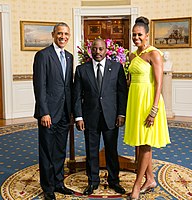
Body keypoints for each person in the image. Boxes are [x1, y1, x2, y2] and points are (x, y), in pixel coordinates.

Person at [124, 16, 171, 199]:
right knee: (140, 143)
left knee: (145, 145)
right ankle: (150, 179)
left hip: (149, 103)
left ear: (147, 35)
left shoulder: (154, 54)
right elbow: (130, 80)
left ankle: (137, 185)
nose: (136, 38)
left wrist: (154, 109)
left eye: (139, 35)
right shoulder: (131, 55)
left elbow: (159, 84)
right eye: (133, 35)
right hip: (134, 101)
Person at [73, 38, 128, 195]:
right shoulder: (81, 70)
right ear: (91, 50)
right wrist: (78, 117)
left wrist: (121, 113)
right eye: (95, 49)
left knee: (111, 150)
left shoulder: (117, 67)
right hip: (90, 118)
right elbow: (76, 96)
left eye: (101, 49)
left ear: (106, 50)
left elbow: (122, 93)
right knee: (91, 151)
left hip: (111, 117)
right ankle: (92, 182)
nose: (97, 52)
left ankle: (114, 181)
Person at [33, 22, 74, 200]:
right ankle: (48, 187)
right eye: (59, 33)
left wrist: (72, 111)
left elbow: (68, 86)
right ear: (53, 34)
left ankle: (58, 182)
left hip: (65, 113)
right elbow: (39, 86)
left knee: (59, 151)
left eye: (66, 34)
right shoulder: (43, 56)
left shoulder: (70, 56)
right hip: (48, 113)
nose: (62, 37)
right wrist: (44, 112)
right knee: (47, 152)